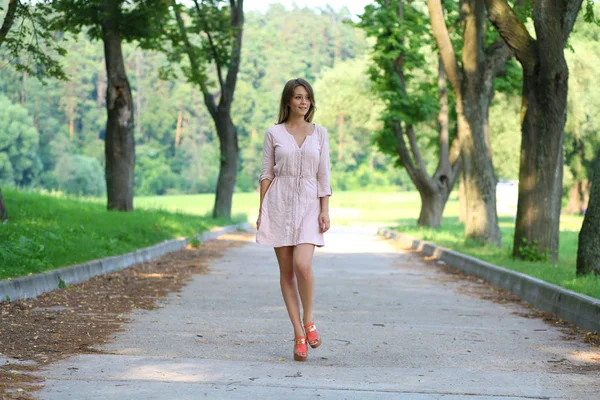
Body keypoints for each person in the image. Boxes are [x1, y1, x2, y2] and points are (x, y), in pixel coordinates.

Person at [256, 78, 332, 362]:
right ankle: (299, 333)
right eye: (298, 97)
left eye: (307, 98)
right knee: (286, 273)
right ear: (288, 100)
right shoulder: (273, 133)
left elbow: (323, 174)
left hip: (309, 204)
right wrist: (262, 211)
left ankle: (309, 319)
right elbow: (266, 174)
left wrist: (325, 209)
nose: (303, 102)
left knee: (302, 265)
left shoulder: (319, 133)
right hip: (278, 203)